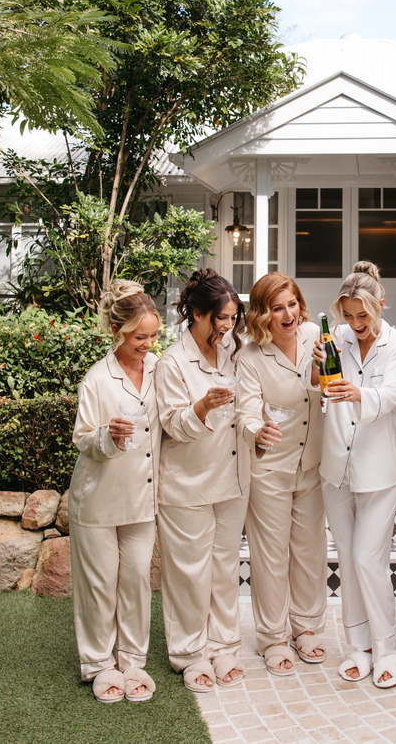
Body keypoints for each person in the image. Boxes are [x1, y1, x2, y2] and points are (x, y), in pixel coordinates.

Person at [314, 261, 396, 689]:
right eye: (348, 315)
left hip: (378, 469)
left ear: (380, 304)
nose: (355, 324)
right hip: (335, 466)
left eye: (363, 315)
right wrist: (317, 369)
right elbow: (319, 390)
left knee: (366, 559)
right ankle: (358, 647)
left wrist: (357, 393)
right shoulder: (335, 338)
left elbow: (391, 396)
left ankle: (388, 648)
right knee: (347, 559)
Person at [154, 269, 251, 692]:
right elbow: (173, 425)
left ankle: (223, 644)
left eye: (232, 318)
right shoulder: (172, 362)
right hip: (187, 484)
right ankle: (190, 653)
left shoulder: (232, 351)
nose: (227, 326)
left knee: (225, 568)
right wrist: (202, 406)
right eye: (220, 318)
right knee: (189, 574)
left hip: (231, 478)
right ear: (196, 313)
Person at [69, 279, 161, 703]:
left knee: (137, 579)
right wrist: (109, 434)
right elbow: (82, 437)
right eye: (140, 337)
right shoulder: (97, 379)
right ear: (117, 331)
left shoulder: (160, 369)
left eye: (153, 336)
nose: (148, 344)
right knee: (100, 586)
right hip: (98, 499)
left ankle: (132, 660)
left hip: (142, 497)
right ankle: (98, 664)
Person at [236, 273, 327, 676]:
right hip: (270, 468)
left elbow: (330, 387)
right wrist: (256, 431)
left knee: (309, 551)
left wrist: (324, 371)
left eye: (292, 304)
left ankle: (306, 628)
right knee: (271, 555)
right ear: (262, 313)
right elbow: (245, 410)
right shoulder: (251, 356)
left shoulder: (315, 337)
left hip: (312, 463)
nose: (288, 314)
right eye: (277, 308)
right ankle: (273, 637)